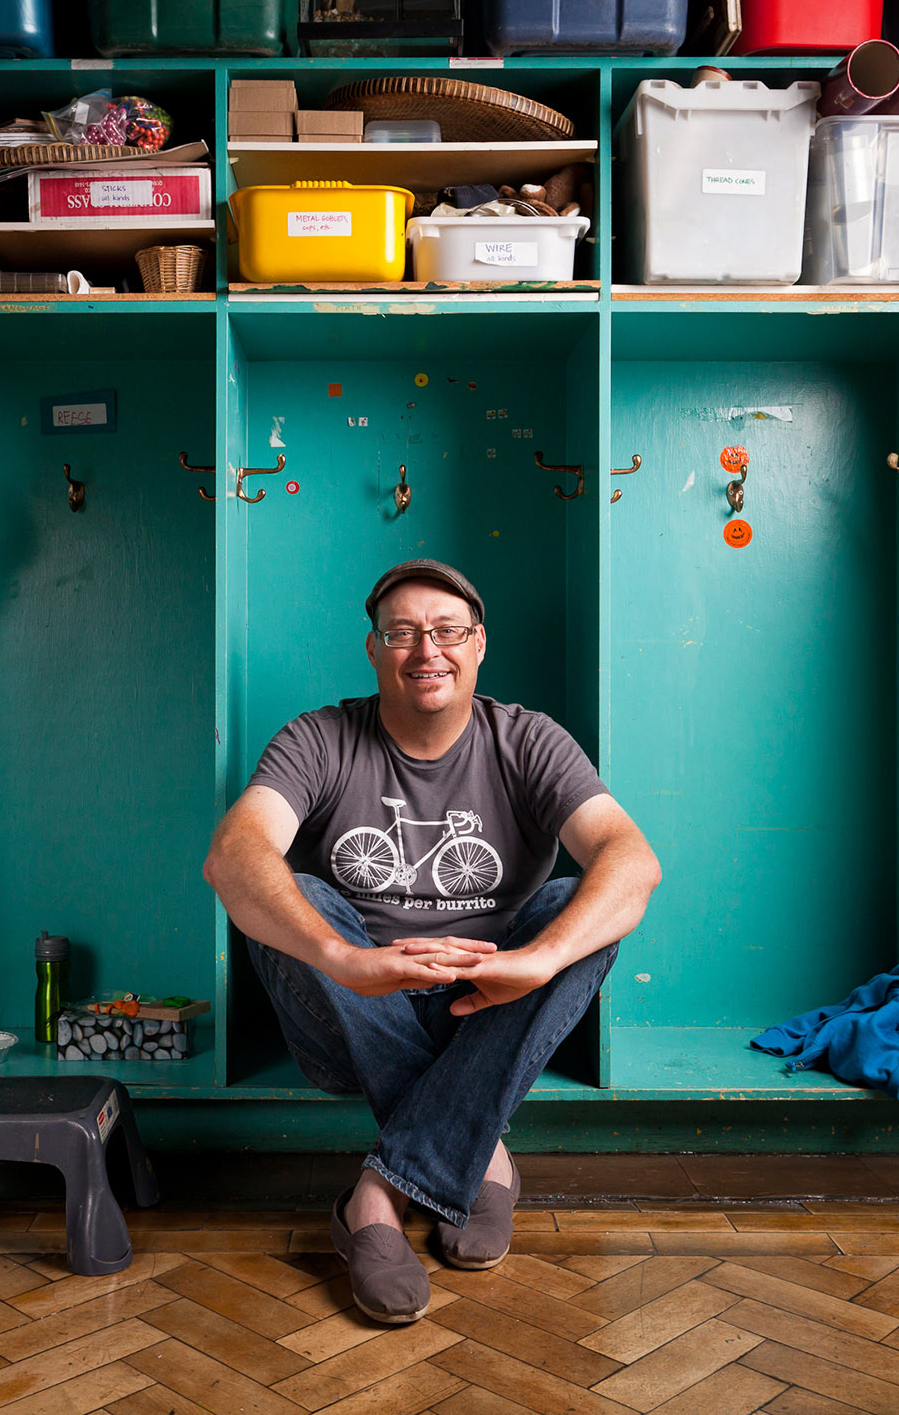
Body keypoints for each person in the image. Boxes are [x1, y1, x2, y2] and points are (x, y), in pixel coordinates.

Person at [203, 559, 661, 1324]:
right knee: (299, 896)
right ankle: (479, 1154)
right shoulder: (319, 738)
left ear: (479, 644)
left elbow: (632, 859)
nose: (427, 650)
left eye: (447, 631)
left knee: (576, 904)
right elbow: (235, 853)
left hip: (489, 1009)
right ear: (375, 650)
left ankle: (376, 1200)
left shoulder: (528, 740)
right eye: (403, 633)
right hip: (352, 1018)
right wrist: (345, 958)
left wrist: (539, 959)